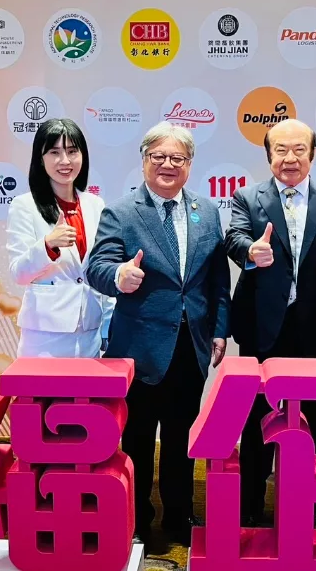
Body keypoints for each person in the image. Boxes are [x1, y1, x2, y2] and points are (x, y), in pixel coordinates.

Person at [86, 122, 230, 550]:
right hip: (139, 347)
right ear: (144, 160)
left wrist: (220, 329)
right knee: (137, 439)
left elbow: (217, 279)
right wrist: (119, 275)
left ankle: (179, 514)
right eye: (159, 157)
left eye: (177, 158)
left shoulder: (208, 211)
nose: (168, 165)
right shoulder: (121, 212)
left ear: (190, 164)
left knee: (182, 437)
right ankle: (134, 518)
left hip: (191, 345)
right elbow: (97, 267)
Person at [224, 118, 316, 529]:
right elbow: (234, 238)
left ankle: (311, 504)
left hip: (314, 329)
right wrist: (251, 251)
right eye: (280, 150)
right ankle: (251, 504)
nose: (290, 158)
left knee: (313, 418)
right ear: (268, 156)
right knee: (257, 417)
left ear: (312, 154)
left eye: (299, 149)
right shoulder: (247, 197)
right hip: (263, 326)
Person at [6, 118, 114, 358]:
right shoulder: (25, 206)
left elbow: (101, 267)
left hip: (90, 334)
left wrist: (107, 322)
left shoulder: (95, 205)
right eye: (55, 152)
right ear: (40, 158)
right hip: (44, 337)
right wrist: (47, 245)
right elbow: (19, 273)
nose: (65, 161)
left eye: (72, 151)